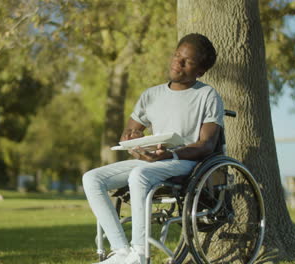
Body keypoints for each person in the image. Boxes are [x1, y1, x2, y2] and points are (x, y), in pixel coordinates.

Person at [82, 33, 224, 264]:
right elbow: (128, 133)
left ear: (200, 71)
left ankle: (140, 254)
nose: (177, 63)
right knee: (91, 178)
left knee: (139, 175)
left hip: (185, 161)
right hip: (151, 160)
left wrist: (171, 153)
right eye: (177, 56)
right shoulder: (151, 95)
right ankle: (121, 252)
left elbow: (206, 145)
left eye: (186, 61)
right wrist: (135, 140)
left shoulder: (207, 95)